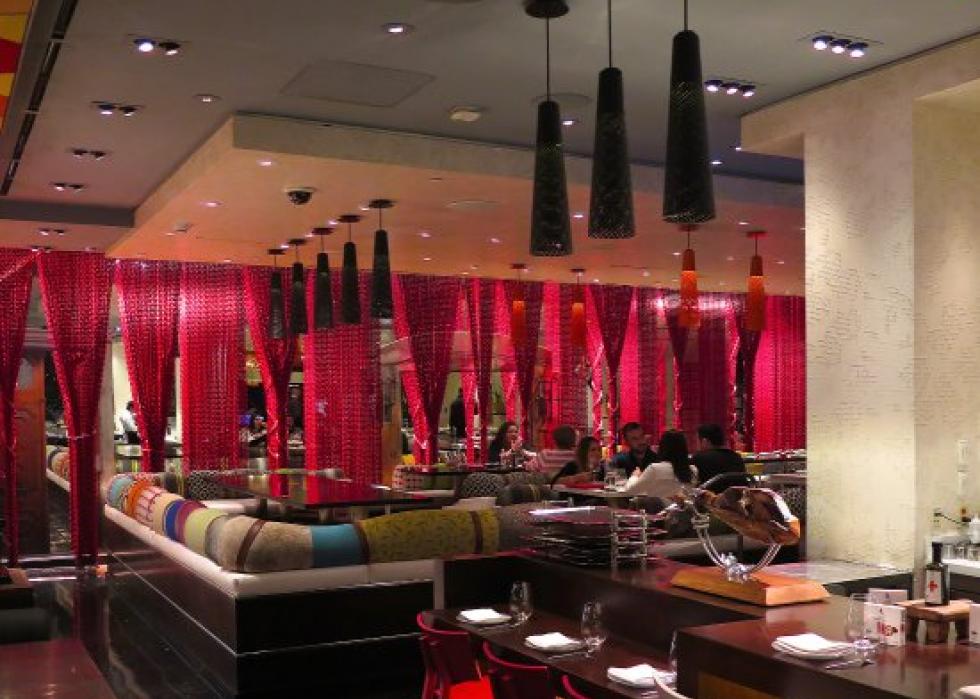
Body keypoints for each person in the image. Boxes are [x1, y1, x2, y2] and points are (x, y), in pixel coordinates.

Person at [622, 430, 698, 499]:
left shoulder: (655, 469)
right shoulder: (693, 470)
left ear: (663, 447)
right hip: (683, 509)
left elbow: (630, 491)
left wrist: (635, 476)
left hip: (657, 509)